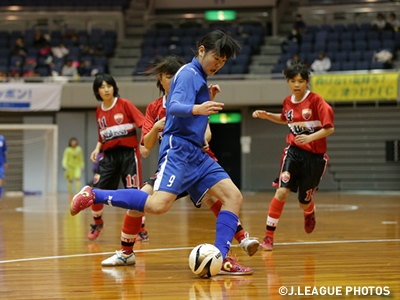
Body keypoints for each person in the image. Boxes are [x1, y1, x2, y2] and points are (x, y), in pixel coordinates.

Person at [71, 30, 254, 275]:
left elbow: (192, 117)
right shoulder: (189, 74)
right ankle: (95, 194)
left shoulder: (198, 77)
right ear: (201, 50)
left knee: (233, 197)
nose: (218, 65)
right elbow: (176, 107)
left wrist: (204, 100)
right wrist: (199, 107)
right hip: (179, 151)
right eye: (216, 58)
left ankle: (220, 258)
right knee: (157, 206)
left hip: (198, 154)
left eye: (223, 62)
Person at [252, 62, 334, 251]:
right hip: (293, 152)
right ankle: (268, 236)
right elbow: (285, 118)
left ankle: (309, 210)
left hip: (314, 157)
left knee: (303, 202)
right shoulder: (288, 101)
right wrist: (267, 116)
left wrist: (310, 137)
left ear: (306, 82)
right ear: (288, 82)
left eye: (301, 81)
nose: (296, 85)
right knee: (282, 191)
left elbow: (330, 128)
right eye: (292, 81)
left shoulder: (316, 101)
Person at [87, 73, 145, 240]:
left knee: (134, 192)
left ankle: (141, 229)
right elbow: (102, 136)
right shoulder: (99, 111)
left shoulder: (125, 104)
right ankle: (97, 223)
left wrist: (144, 144)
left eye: (109, 86)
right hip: (109, 155)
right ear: (97, 91)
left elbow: (143, 123)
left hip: (128, 153)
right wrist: (97, 149)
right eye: (102, 87)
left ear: (114, 88)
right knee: (96, 191)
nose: (106, 89)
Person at [0, 135, 7, 200]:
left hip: (1, 162)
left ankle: (0, 190)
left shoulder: (2, 139)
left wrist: (5, 162)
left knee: (1, 177)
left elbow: (4, 152)